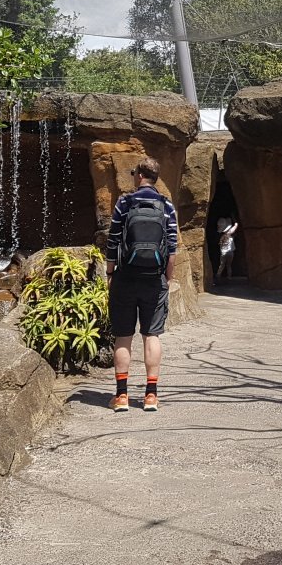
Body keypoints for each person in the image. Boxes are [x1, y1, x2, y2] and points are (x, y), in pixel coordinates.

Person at [104, 157, 179, 413]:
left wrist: (110, 273)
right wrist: (167, 278)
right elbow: (171, 247)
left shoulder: (125, 202)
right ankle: (150, 395)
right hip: (154, 279)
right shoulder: (167, 206)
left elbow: (113, 240)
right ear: (156, 177)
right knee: (151, 335)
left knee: (123, 336)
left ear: (139, 176)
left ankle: (122, 396)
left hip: (125, 277)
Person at [216, 217, 239, 284]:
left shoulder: (221, 237)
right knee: (229, 265)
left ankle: (218, 275)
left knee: (222, 265)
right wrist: (234, 218)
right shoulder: (229, 235)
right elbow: (236, 226)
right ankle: (229, 277)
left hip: (223, 254)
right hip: (230, 253)